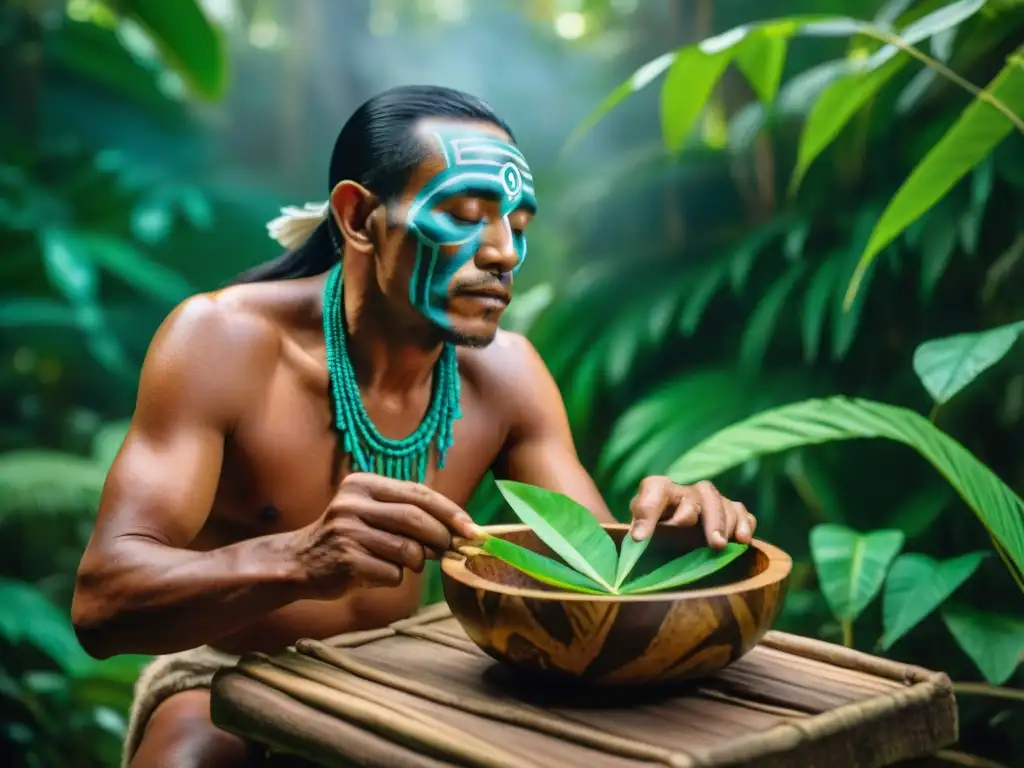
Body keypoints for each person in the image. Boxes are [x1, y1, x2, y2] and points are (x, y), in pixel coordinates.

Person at [71, 85, 756, 768]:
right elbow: (105, 602)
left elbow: (589, 585)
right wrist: (298, 559)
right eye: (464, 216)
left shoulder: (506, 375)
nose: (503, 255)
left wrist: (671, 546)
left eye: (518, 225)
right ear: (359, 216)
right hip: (228, 673)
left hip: (408, 679)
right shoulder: (223, 342)